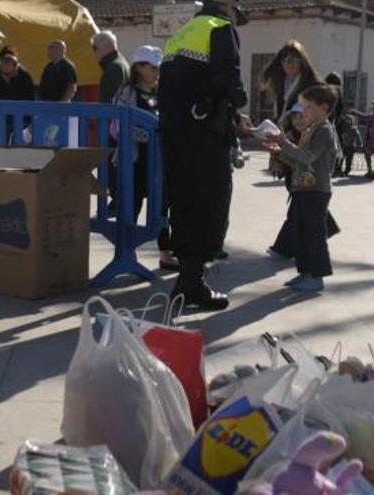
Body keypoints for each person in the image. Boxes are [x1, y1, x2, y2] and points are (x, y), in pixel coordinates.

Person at [159, 0, 248, 310]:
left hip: (174, 134)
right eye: (236, 12)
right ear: (226, 7)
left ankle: (187, 279)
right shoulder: (220, 29)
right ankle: (193, 282)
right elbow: (228, 79)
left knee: (183, 202)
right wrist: (240, 103)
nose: (236, 19)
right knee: (210, 201)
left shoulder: (180, 34)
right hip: (206, 134)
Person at [265, 85, 340, 292]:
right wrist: (279, 151)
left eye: (308, 106)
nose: (303, 111)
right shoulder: (310, 130)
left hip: (316, 191)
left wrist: (284, 144)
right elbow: (300, 161)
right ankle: (305, 273)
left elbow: (308, 157)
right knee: (300, 234)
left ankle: (317, 277)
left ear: (324, 108)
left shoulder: (324, 130)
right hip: (302, 190)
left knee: (314, 235)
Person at [111, 45, 178, 271]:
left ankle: (166, 253)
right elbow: (117, 127)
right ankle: (126, 253)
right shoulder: (126, 93)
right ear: (139, 67)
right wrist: (149, 133)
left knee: (162, 205)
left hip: (159, 160)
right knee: (133, 203)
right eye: (153, 67)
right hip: (134, 160)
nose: (157, 72)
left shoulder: (162, 92)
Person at [262, 40, 322, 129]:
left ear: (301, 62)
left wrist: (293, 133)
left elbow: (313, 117)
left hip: (304, 136)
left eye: (294, 60)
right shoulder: (281, 84)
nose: (289, 65)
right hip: (283, 135)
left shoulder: (312, 86)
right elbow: (281, 113)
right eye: (286, 61)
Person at [0, 47, 35, 144]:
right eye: (4, 61)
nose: (7, 63)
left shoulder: (24, 76)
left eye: (10, 61)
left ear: (15, 62)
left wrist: (28, 122)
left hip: (20, 119)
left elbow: (30, 98)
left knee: (18, 147)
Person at [92, 31, 129, 104]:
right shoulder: (122, 62)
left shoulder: (113, 68)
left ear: (105, 46)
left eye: (95, 48)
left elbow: (107, 102)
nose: (94, 52)